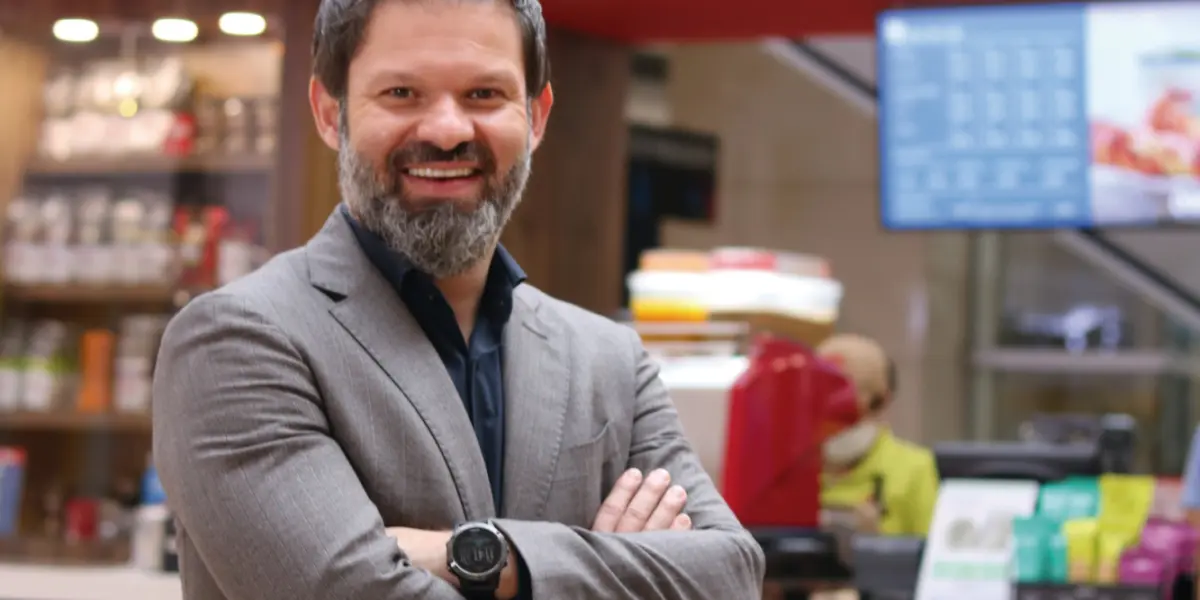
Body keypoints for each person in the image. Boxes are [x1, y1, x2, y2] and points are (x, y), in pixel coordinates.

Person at [150, 1, 765, 599]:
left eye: (483, 95)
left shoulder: (610, 361)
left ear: (536, 116)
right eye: (402, 93)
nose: (447, 131)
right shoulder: (235, 341)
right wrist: (611, 569)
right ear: (330, 113)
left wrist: (476, 557)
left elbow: (731, 574)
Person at [815, 334, 938, 537]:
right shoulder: (783, 470)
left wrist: (874, 543)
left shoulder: (914, 469)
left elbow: (932, 551)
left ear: (881, 400)